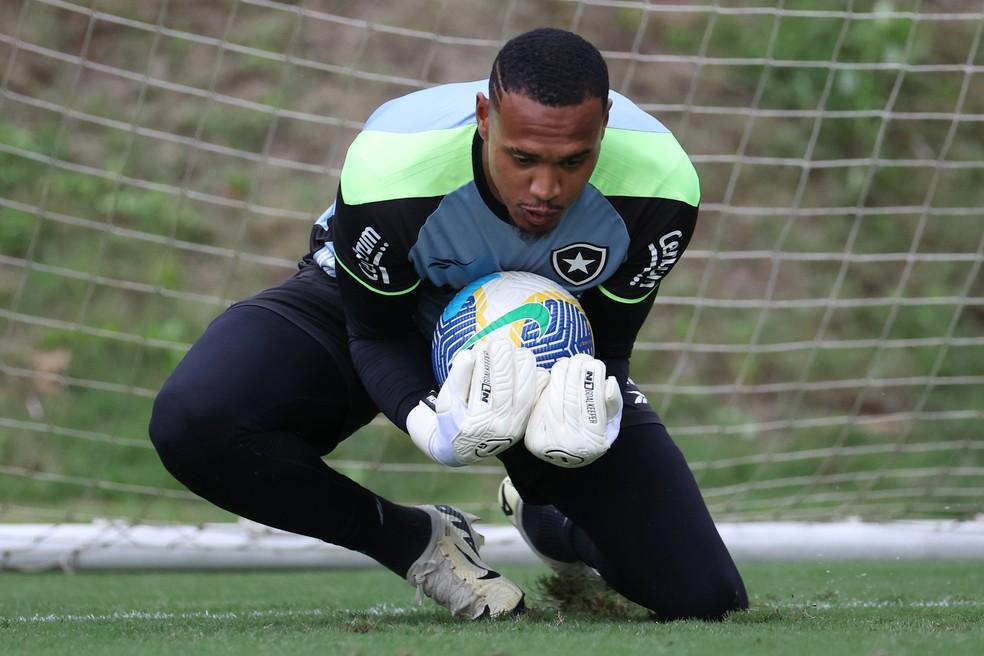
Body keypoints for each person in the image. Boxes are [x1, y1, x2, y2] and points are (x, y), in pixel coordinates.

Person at [149, 27, 748, 621]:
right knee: (197, 423)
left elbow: (610, 346)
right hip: (387, 310)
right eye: (523, 158)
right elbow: (375, 333)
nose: (546, 188)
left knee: (703, 596)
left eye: (573, 161)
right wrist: (430, 427)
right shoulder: (392, 168)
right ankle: (417, 543)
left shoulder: (660, 187)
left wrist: (592, 409)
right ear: (485, 117)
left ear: (605, 124)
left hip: (541, 343)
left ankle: (548, 518)